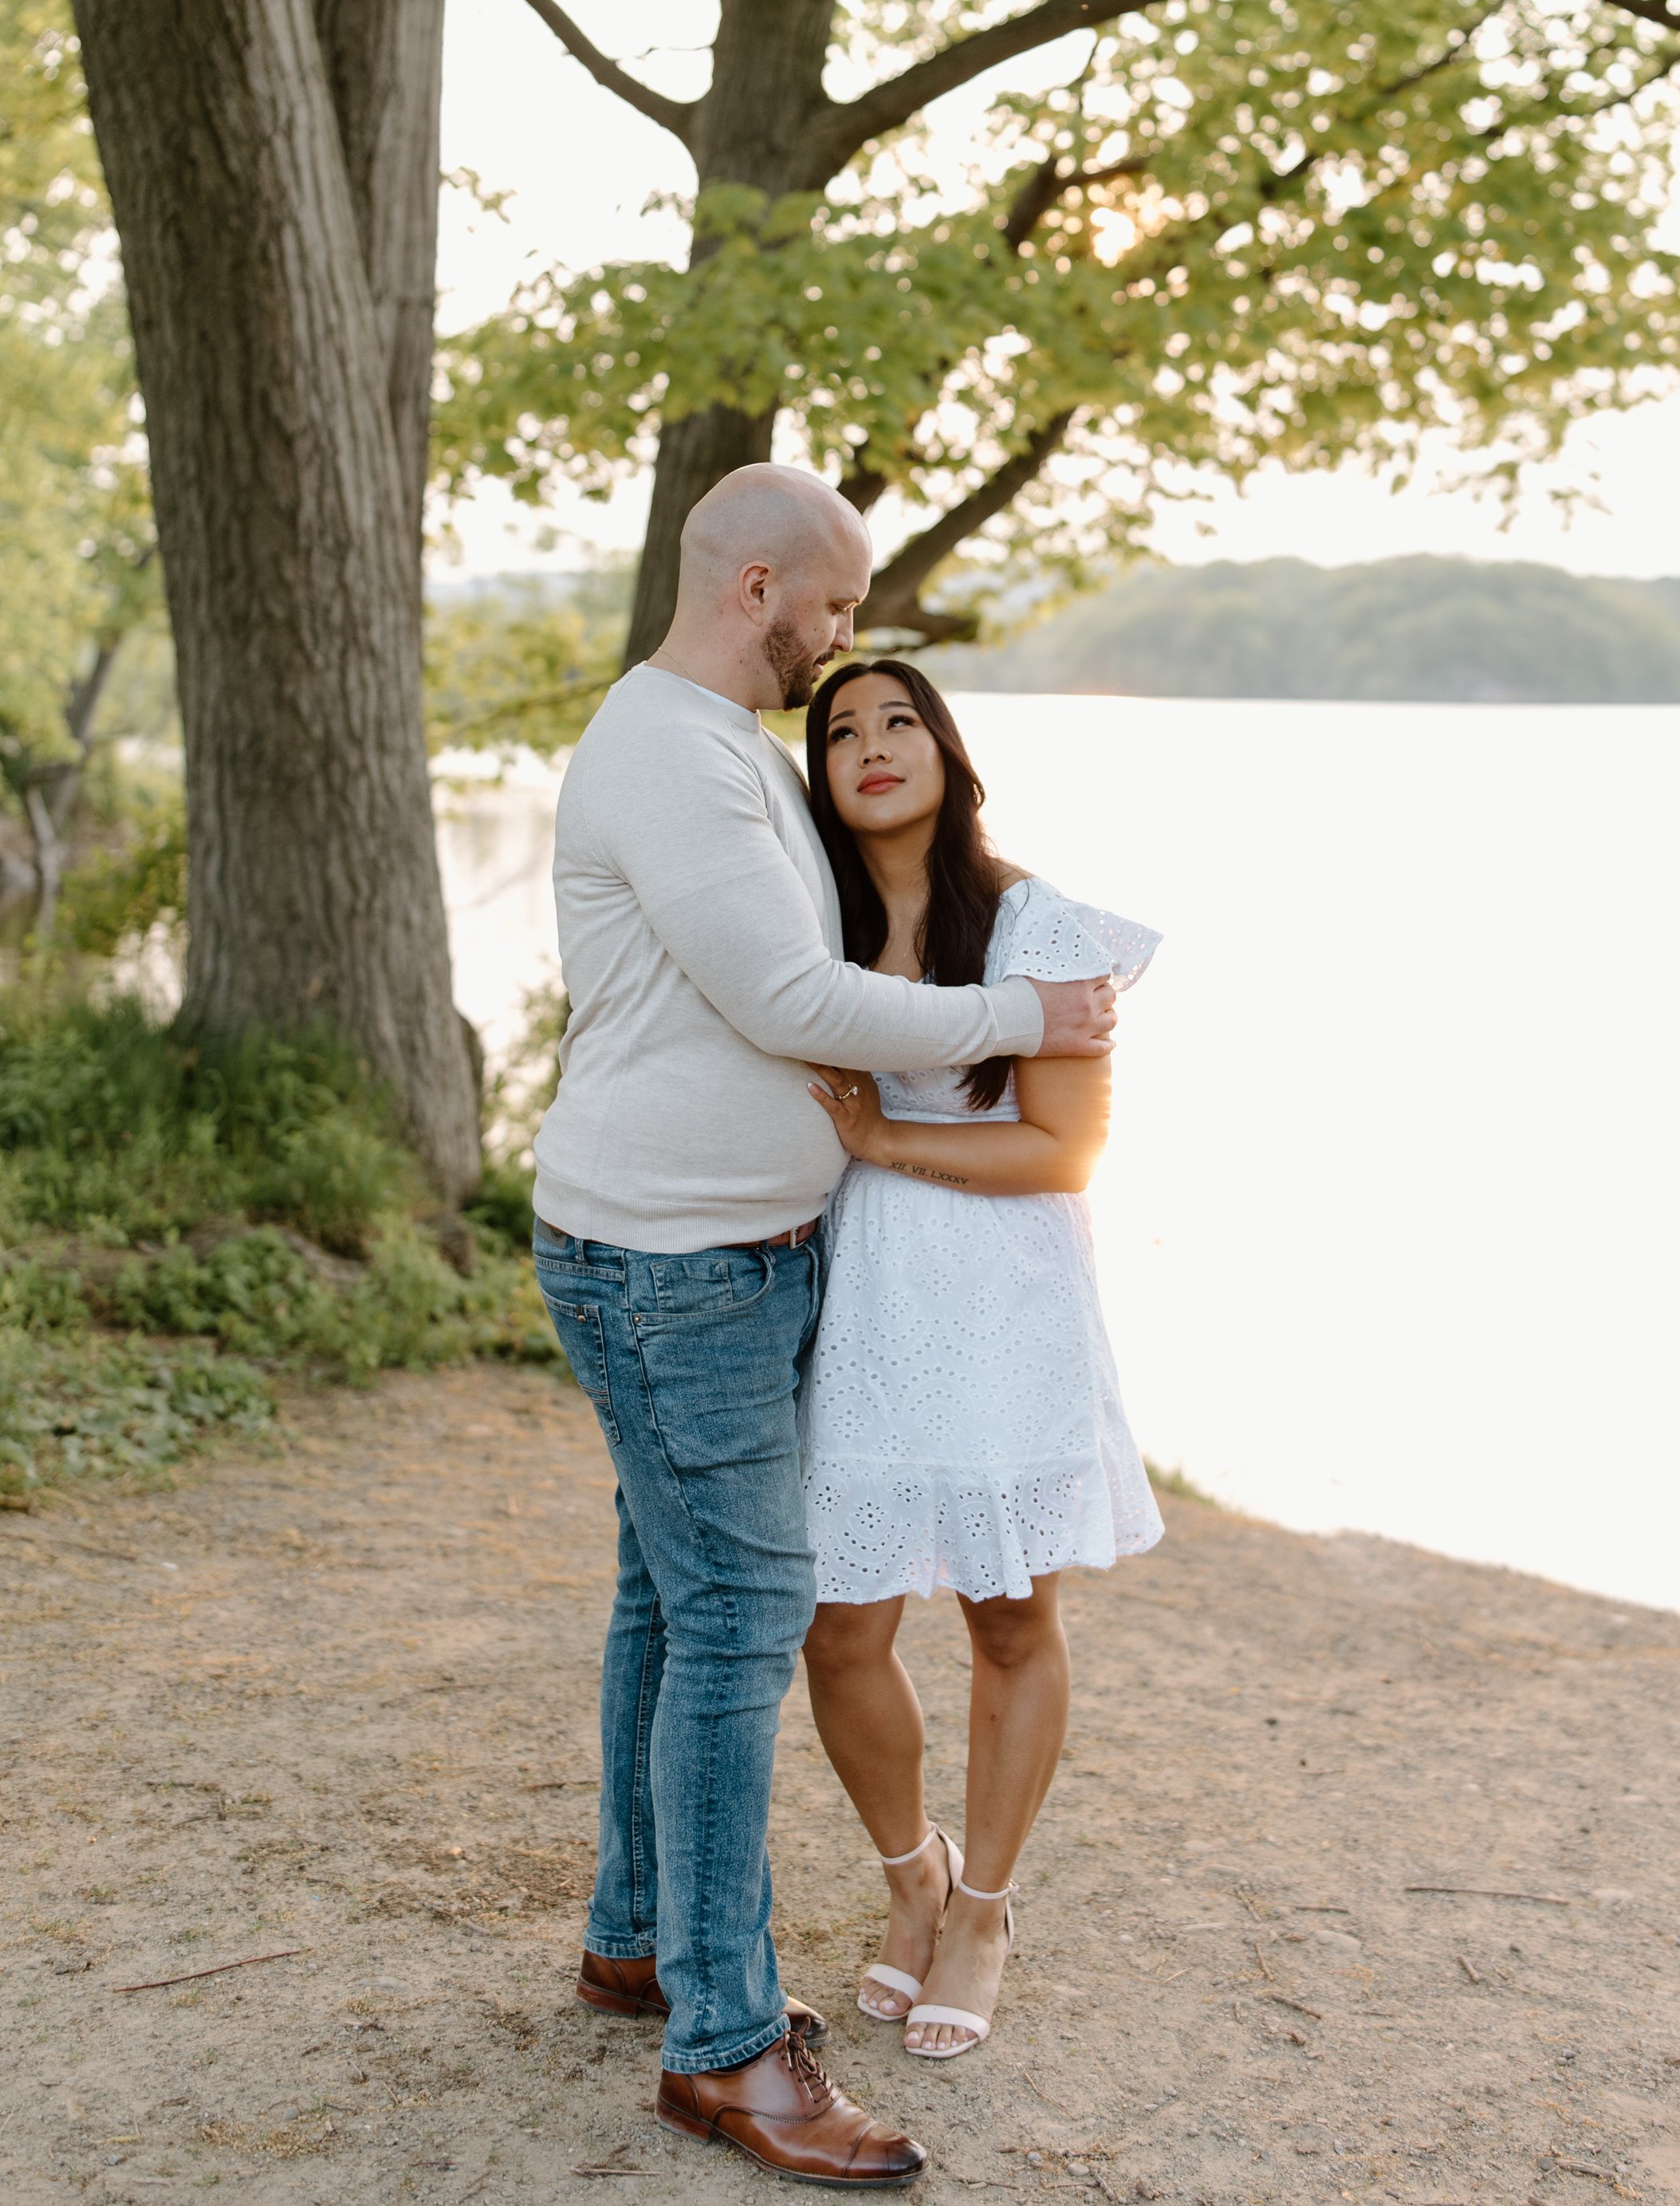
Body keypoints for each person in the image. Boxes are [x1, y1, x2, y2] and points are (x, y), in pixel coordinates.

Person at [531, 466, 1117, 2188]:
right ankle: (723, 2043)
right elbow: (785, 998)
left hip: (735, 1252)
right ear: (763, 583)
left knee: (669, 1595)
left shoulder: (724, 753)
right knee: (740, 1620)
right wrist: (1031, 1007)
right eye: (837, 611)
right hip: (670, 1261)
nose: (841, 642)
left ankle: (637, 1939)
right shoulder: (665, 752)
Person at [795, 656, 1163, 2062]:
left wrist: (885, 1140)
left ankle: (987, 1909)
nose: (873, 746)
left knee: (1011, 1619)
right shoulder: (808, 921)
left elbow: (1065, 1146)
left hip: (1004, 1299)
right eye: (841, 730)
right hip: (861, 1300)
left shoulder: (1031, 922)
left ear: (948, 751)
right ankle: (913, 1877)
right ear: (819, 774)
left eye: (901, 721)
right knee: (843, 1624)